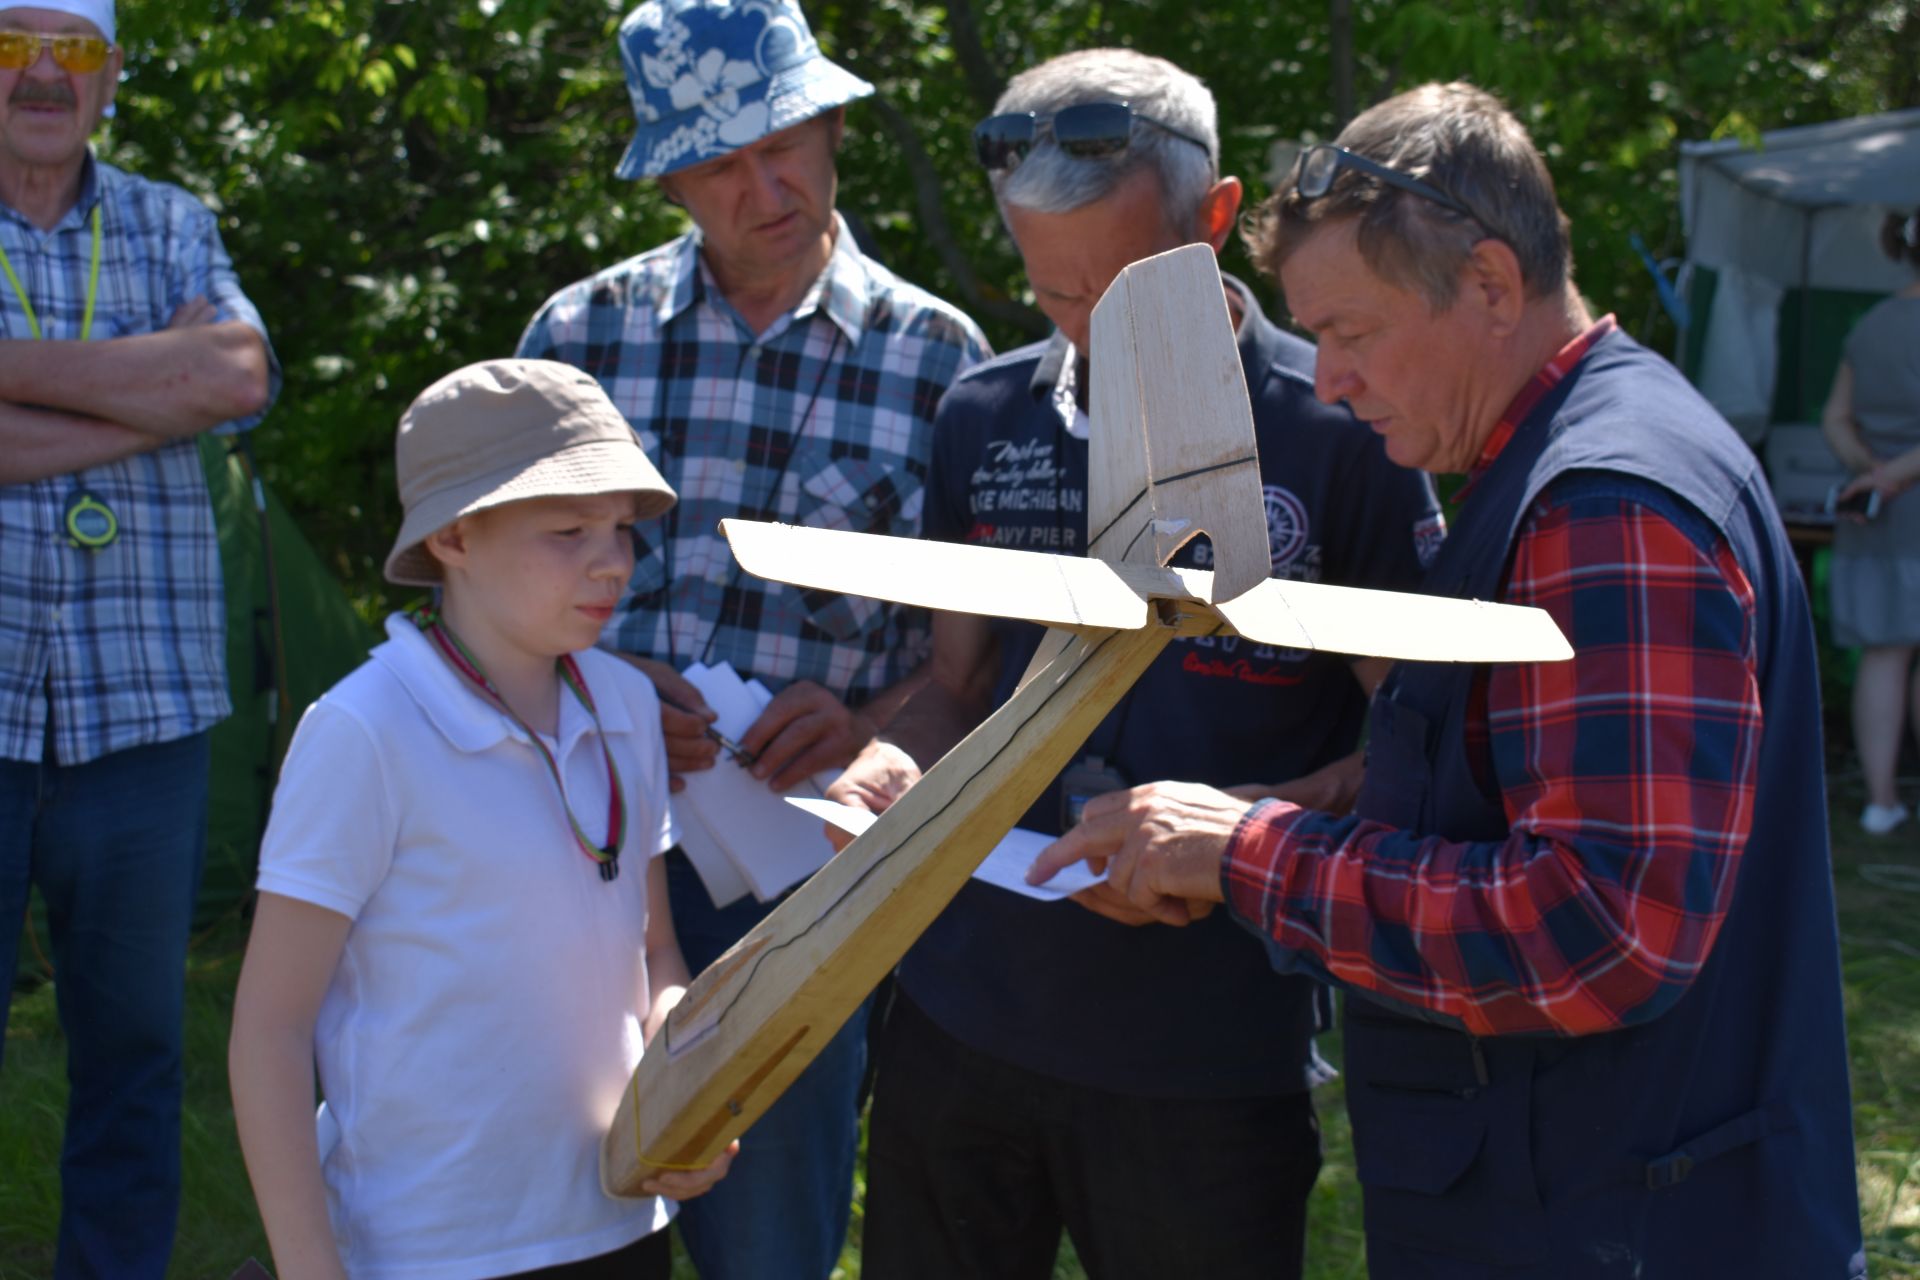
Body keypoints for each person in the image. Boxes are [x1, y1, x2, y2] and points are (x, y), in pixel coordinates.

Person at [1032, 82, 1866, 1278]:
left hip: (1614, 1224)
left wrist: (1247, 850)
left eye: (1352, 332)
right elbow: (1540, 772)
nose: (1325, 379)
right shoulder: (1567, 453)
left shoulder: (1608, 506)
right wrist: (1338, 795)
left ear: (1487, 284)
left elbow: (1599, 929)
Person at [827, 50, 1443, 1280]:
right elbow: (956, 680)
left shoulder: (1342, 427)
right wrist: (892, 761)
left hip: (1201, 1057)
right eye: (1052, 294)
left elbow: (1416, 745)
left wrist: (1237, 833)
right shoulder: (987, 414)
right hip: (966, 1013)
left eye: (1115, 287)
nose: (1085, 328)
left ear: (1215, 221)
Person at [515, 2, 989, 1274]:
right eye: (720, 161)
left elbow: (977, 660)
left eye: (784, 141)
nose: (764, 185)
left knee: (768, 1234)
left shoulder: (942, 360)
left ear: (834, 124)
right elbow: (488, 600)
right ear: (668, 174)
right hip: (575, 841)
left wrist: (867, 720)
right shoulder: (577, 341)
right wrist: (603, 682)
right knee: (555, 1214)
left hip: (806, 872)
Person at [229, 360, 734, 1280]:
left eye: (621, 528)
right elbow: (268, 1028)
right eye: (569, 530)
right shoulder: (364, 730)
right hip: (425, 1247)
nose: (613, 559)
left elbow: (655, 949)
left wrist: (681, 1092)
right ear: (456, 536)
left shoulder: (625, 704)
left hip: (621, 1218)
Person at [0, 2, 278, 1275]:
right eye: (11, 44)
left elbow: (233, 380)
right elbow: (189, 392)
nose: (43, 73)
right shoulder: (160, 260)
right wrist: (144, 400)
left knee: (135, 1050)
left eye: (72, 47)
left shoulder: (171, 219)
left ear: (109, 74)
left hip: (142, 711)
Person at [1821, 206, 1920, 837]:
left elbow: (1836, 418)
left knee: (1883, 656)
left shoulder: (1870, 326)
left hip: (1876, 511)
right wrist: (1899, 473)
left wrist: (1875, 471)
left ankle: (1880, 801)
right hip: (1901, 502)